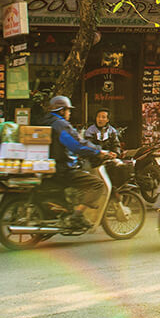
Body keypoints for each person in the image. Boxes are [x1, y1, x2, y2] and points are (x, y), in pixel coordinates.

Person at [39, 95, 113, 229]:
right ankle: (77, 215)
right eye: (68, 110)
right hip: (62, 168)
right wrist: (98, 151)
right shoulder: (60, 124)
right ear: (62, 110)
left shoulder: (46, 121)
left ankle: (70, 209)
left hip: (50, 166)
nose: (70, 113)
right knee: (96, 184)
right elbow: (76, 145)